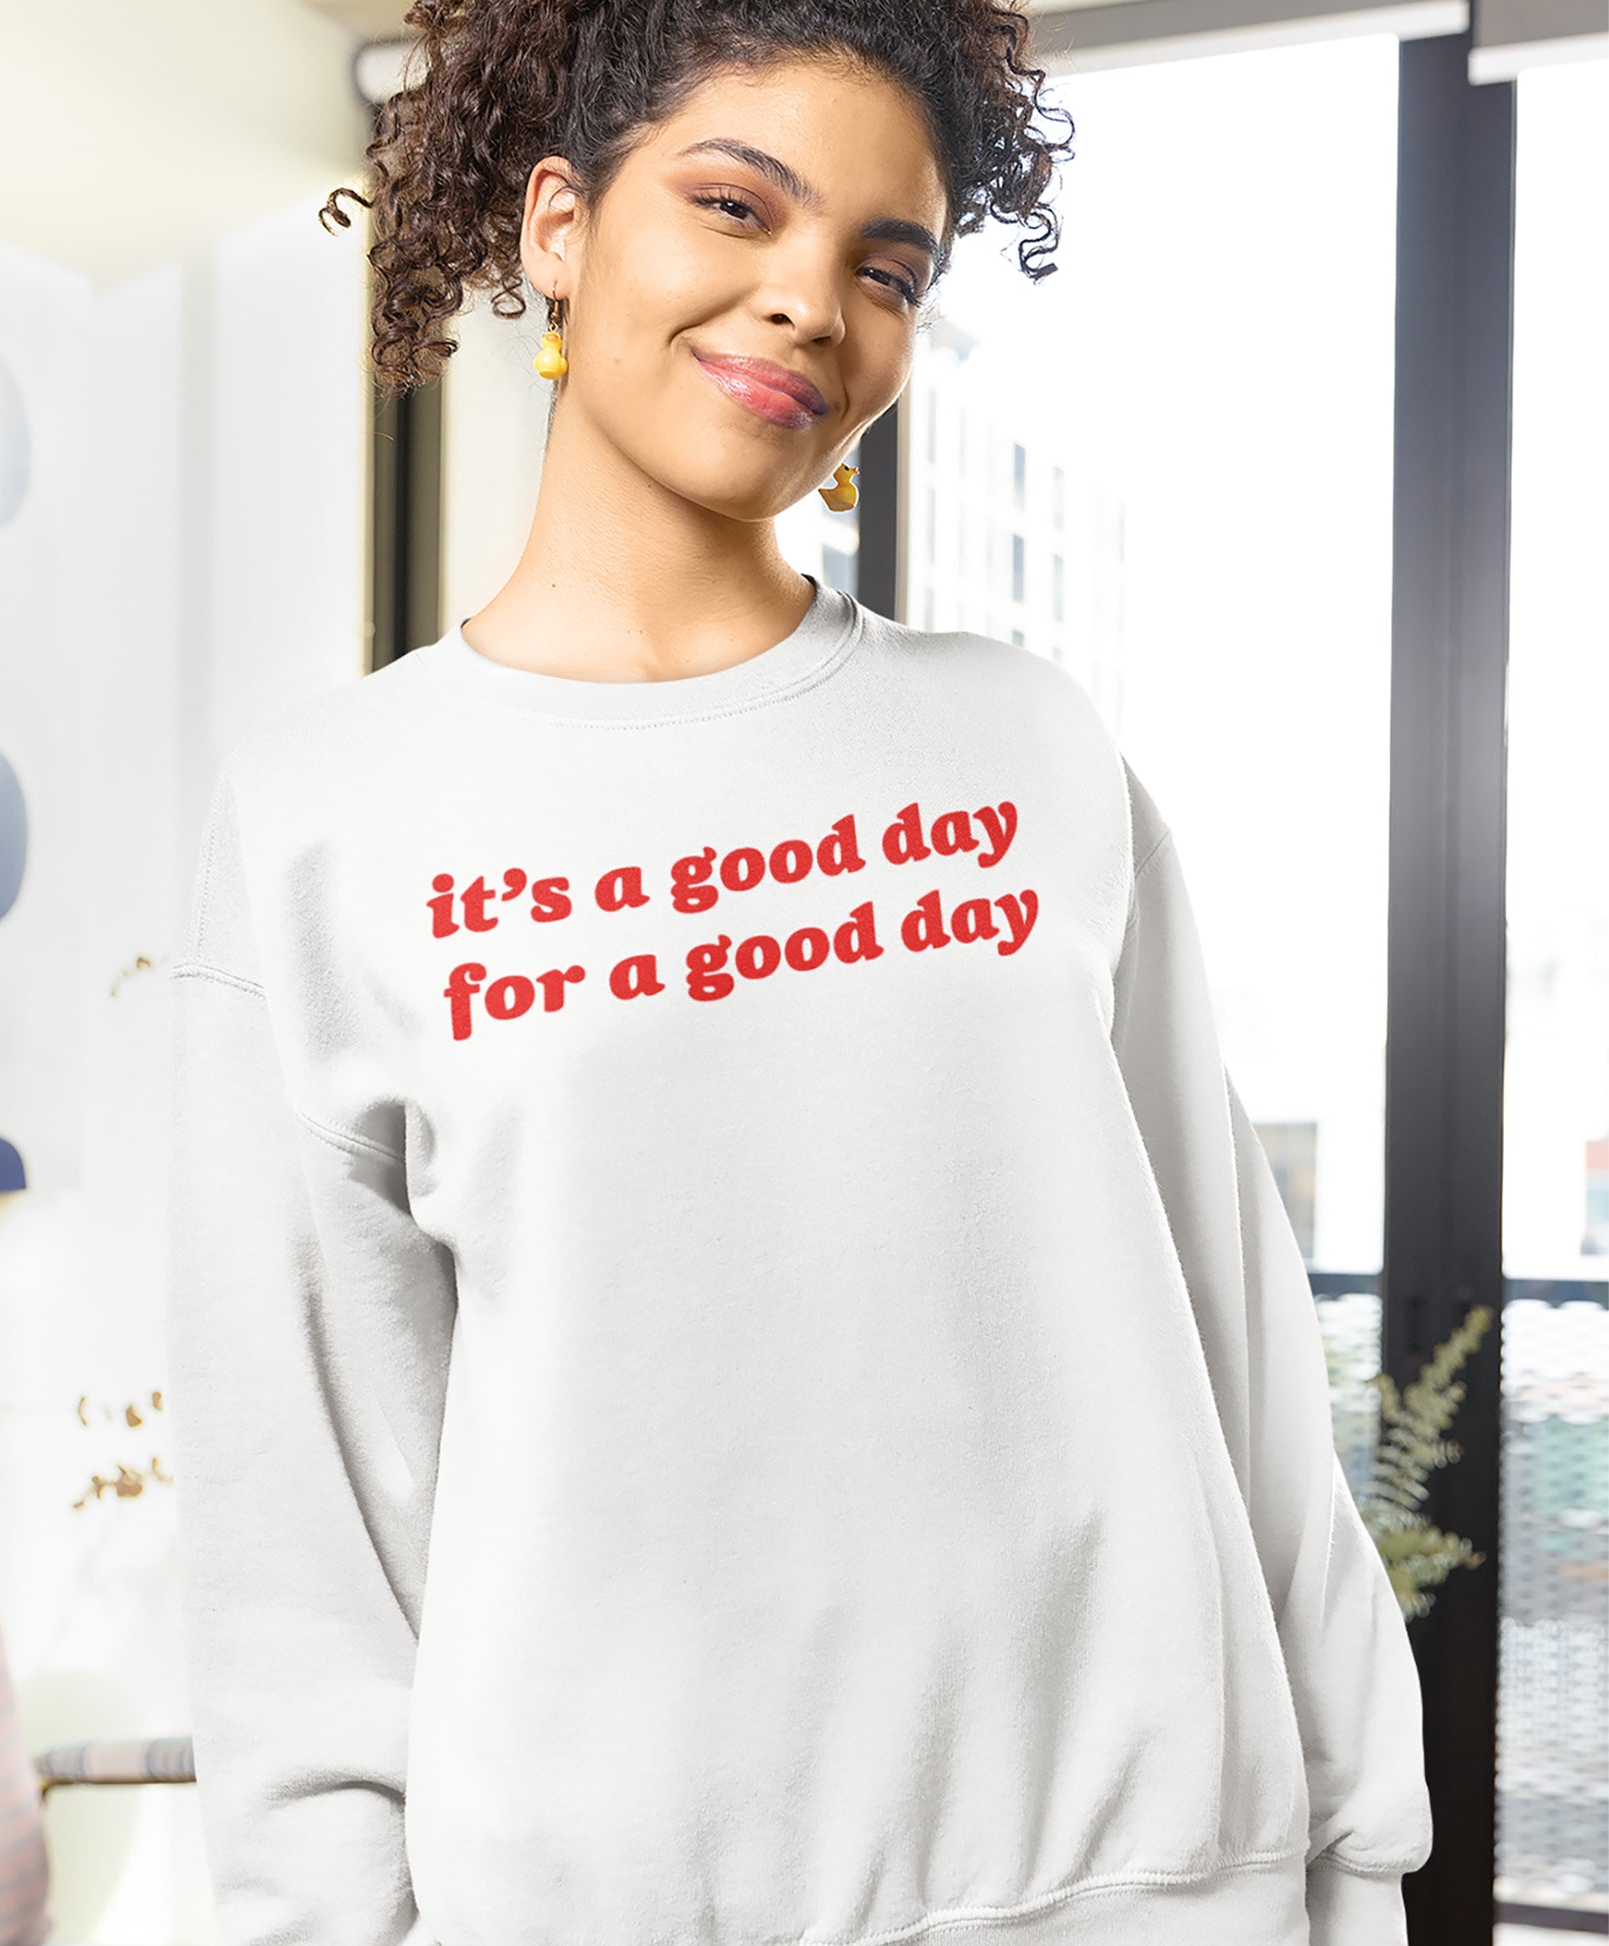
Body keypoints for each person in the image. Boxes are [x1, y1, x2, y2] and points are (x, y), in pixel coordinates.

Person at [163, 2, 1434, 1943]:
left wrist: (1357, 1846)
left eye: (884, 266)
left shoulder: (1028, 747)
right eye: (734, 205)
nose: (807, 302)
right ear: (559, 227)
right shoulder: (333, 818)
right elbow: (307, 1529)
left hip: (1149, 1886)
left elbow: (1230, 1338)